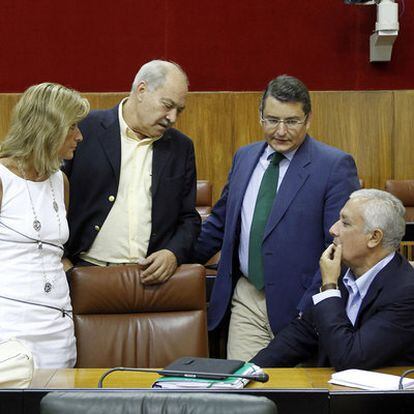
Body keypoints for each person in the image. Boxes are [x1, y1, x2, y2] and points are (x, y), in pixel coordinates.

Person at [193, 75, 360, 361]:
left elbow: (338, 247)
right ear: (260, 117)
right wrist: (174, 256)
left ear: (308, 119)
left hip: (300, 307)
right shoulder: (244, 157)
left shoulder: (333, 166)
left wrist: (308, 308)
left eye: (292, 121)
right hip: (246, 297)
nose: (281, 131)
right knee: (242, 392)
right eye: (272, 120)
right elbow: (220, 224)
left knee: (293, 397)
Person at [63, 60, 200, 284]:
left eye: (179, 110)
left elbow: (189, 218)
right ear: (142, 90)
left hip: (153, 279)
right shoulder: (85, 130)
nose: (172, 118)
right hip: (85, 272)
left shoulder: (181, 147)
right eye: (167, 105)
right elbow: (52, 200)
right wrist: (63, 261)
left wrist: (173, 253)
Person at [251, 189, 414, 370]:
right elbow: (301, 334)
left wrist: (329, 288)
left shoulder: (406, 292)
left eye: (345, 223)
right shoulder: (344, 270)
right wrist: (247, 373)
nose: (333, 229)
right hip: (332, 390)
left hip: (381, 397)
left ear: (374, 237)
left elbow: (350, 360)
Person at [0, 82, 90, 367]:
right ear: (49, 127)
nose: (80, 136)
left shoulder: (60, 181)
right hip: (9, 327)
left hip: (57, 324)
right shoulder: (3, 179)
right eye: (73, 126)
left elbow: (54, 252)